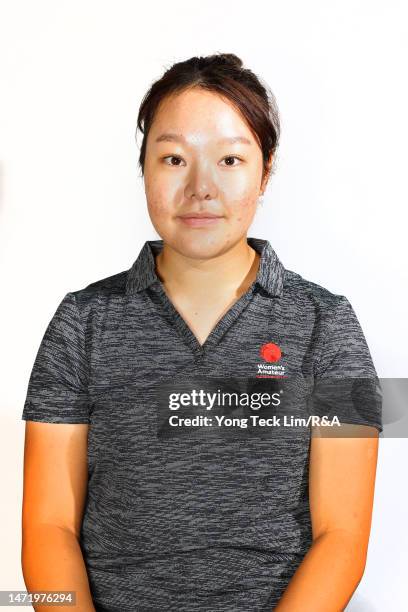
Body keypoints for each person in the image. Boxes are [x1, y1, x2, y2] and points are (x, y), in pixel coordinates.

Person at [21, 53, 382, 612]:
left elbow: (344, 536)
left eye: (231, 159)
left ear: (265, 173)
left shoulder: (327, 325)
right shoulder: (82, 322)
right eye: (173, 158)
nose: (201, 187)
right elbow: (48, 526)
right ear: (143, 167)